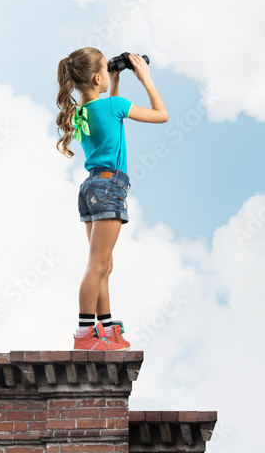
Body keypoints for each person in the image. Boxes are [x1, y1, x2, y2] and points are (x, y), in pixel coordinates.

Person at [55, 48, 168, 351]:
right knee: (97, 265)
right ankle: (84, 336)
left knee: (104, 265)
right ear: (96, 77)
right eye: (106, 69)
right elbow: (161, 115)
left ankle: (105, 330)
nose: (108, 72)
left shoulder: (79, 114)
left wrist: (114, 78)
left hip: (92, 188)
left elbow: (109, 117)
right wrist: (145, 78)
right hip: (109, 188)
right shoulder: (114, 105)